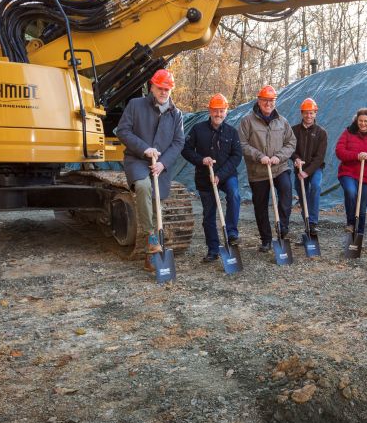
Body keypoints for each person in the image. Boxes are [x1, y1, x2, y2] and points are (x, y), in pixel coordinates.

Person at [116, 68, 185, 272]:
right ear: (151, 87)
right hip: (137, 160)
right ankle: (151, 235)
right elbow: (123, 131)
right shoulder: (135, 105)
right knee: (144, 188)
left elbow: (178, 142)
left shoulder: (176, 114)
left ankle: (151, 257)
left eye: (168, 89)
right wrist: (144, 149)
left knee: (157, 204)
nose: (164, 92)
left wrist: (163, 163)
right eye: (160, 88)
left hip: (160, 165)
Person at [182, 93, 242, 263]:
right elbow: (186, 150)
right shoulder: (197, 129)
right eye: (215, 111)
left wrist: (220, 175)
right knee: (209, 214)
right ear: (209, 111)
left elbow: (237, 156)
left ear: (226, 111)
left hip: (226, 175)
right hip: (204, 177)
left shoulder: (232, 132)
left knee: (234, 193)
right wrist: (201, 160)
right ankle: (213, 250)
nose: (218, 114)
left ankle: (231, 233)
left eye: (222, 111)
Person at [239, 85, 296, 252]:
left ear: (275, 102)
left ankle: (282, 227)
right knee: (260, 204)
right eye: (265, 100)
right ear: (259, 100)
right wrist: (259, 156)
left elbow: (291, 142)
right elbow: (242, 144)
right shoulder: (247, 121)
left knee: (286, 191)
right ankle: (266, 239)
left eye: (271, 101)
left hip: (280, 167)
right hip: (258, 172)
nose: (268, 104)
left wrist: (279, 156)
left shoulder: (283, 121)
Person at [335, 108, 367, 235]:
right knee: (351, 192)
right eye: (360, 121)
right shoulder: (348, 133)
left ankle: (359, 235)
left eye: (366, 121)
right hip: (348, 172)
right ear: (356, 121)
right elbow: (339, 151)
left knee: (362, 207)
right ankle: (351, 223)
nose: (363, 124)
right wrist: (356, 155)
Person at [291, 98, 328, 237]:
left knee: (316, 187)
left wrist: (307, 172)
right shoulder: (294, 130)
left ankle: (313, 223)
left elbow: (320, 157)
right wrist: (295, 158)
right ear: (302, 113)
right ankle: (308, 227)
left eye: (311, 113)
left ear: (315, 113)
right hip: (299, 169)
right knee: (303, 197)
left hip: (315, 169)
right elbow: (290, 149)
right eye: (306, 113)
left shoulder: (321, 132)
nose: (309, 116)